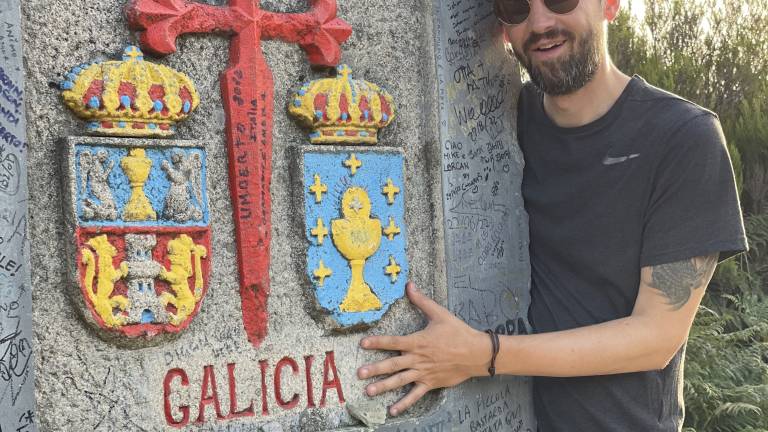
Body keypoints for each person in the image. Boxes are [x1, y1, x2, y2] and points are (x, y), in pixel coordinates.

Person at [357, 0, 749, 430]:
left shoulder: (683, 137)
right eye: (516, 8)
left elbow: (655, 338)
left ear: (610, 5)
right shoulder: (501, 126)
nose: (540, 23)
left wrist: (483, 354)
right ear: (502, 28)